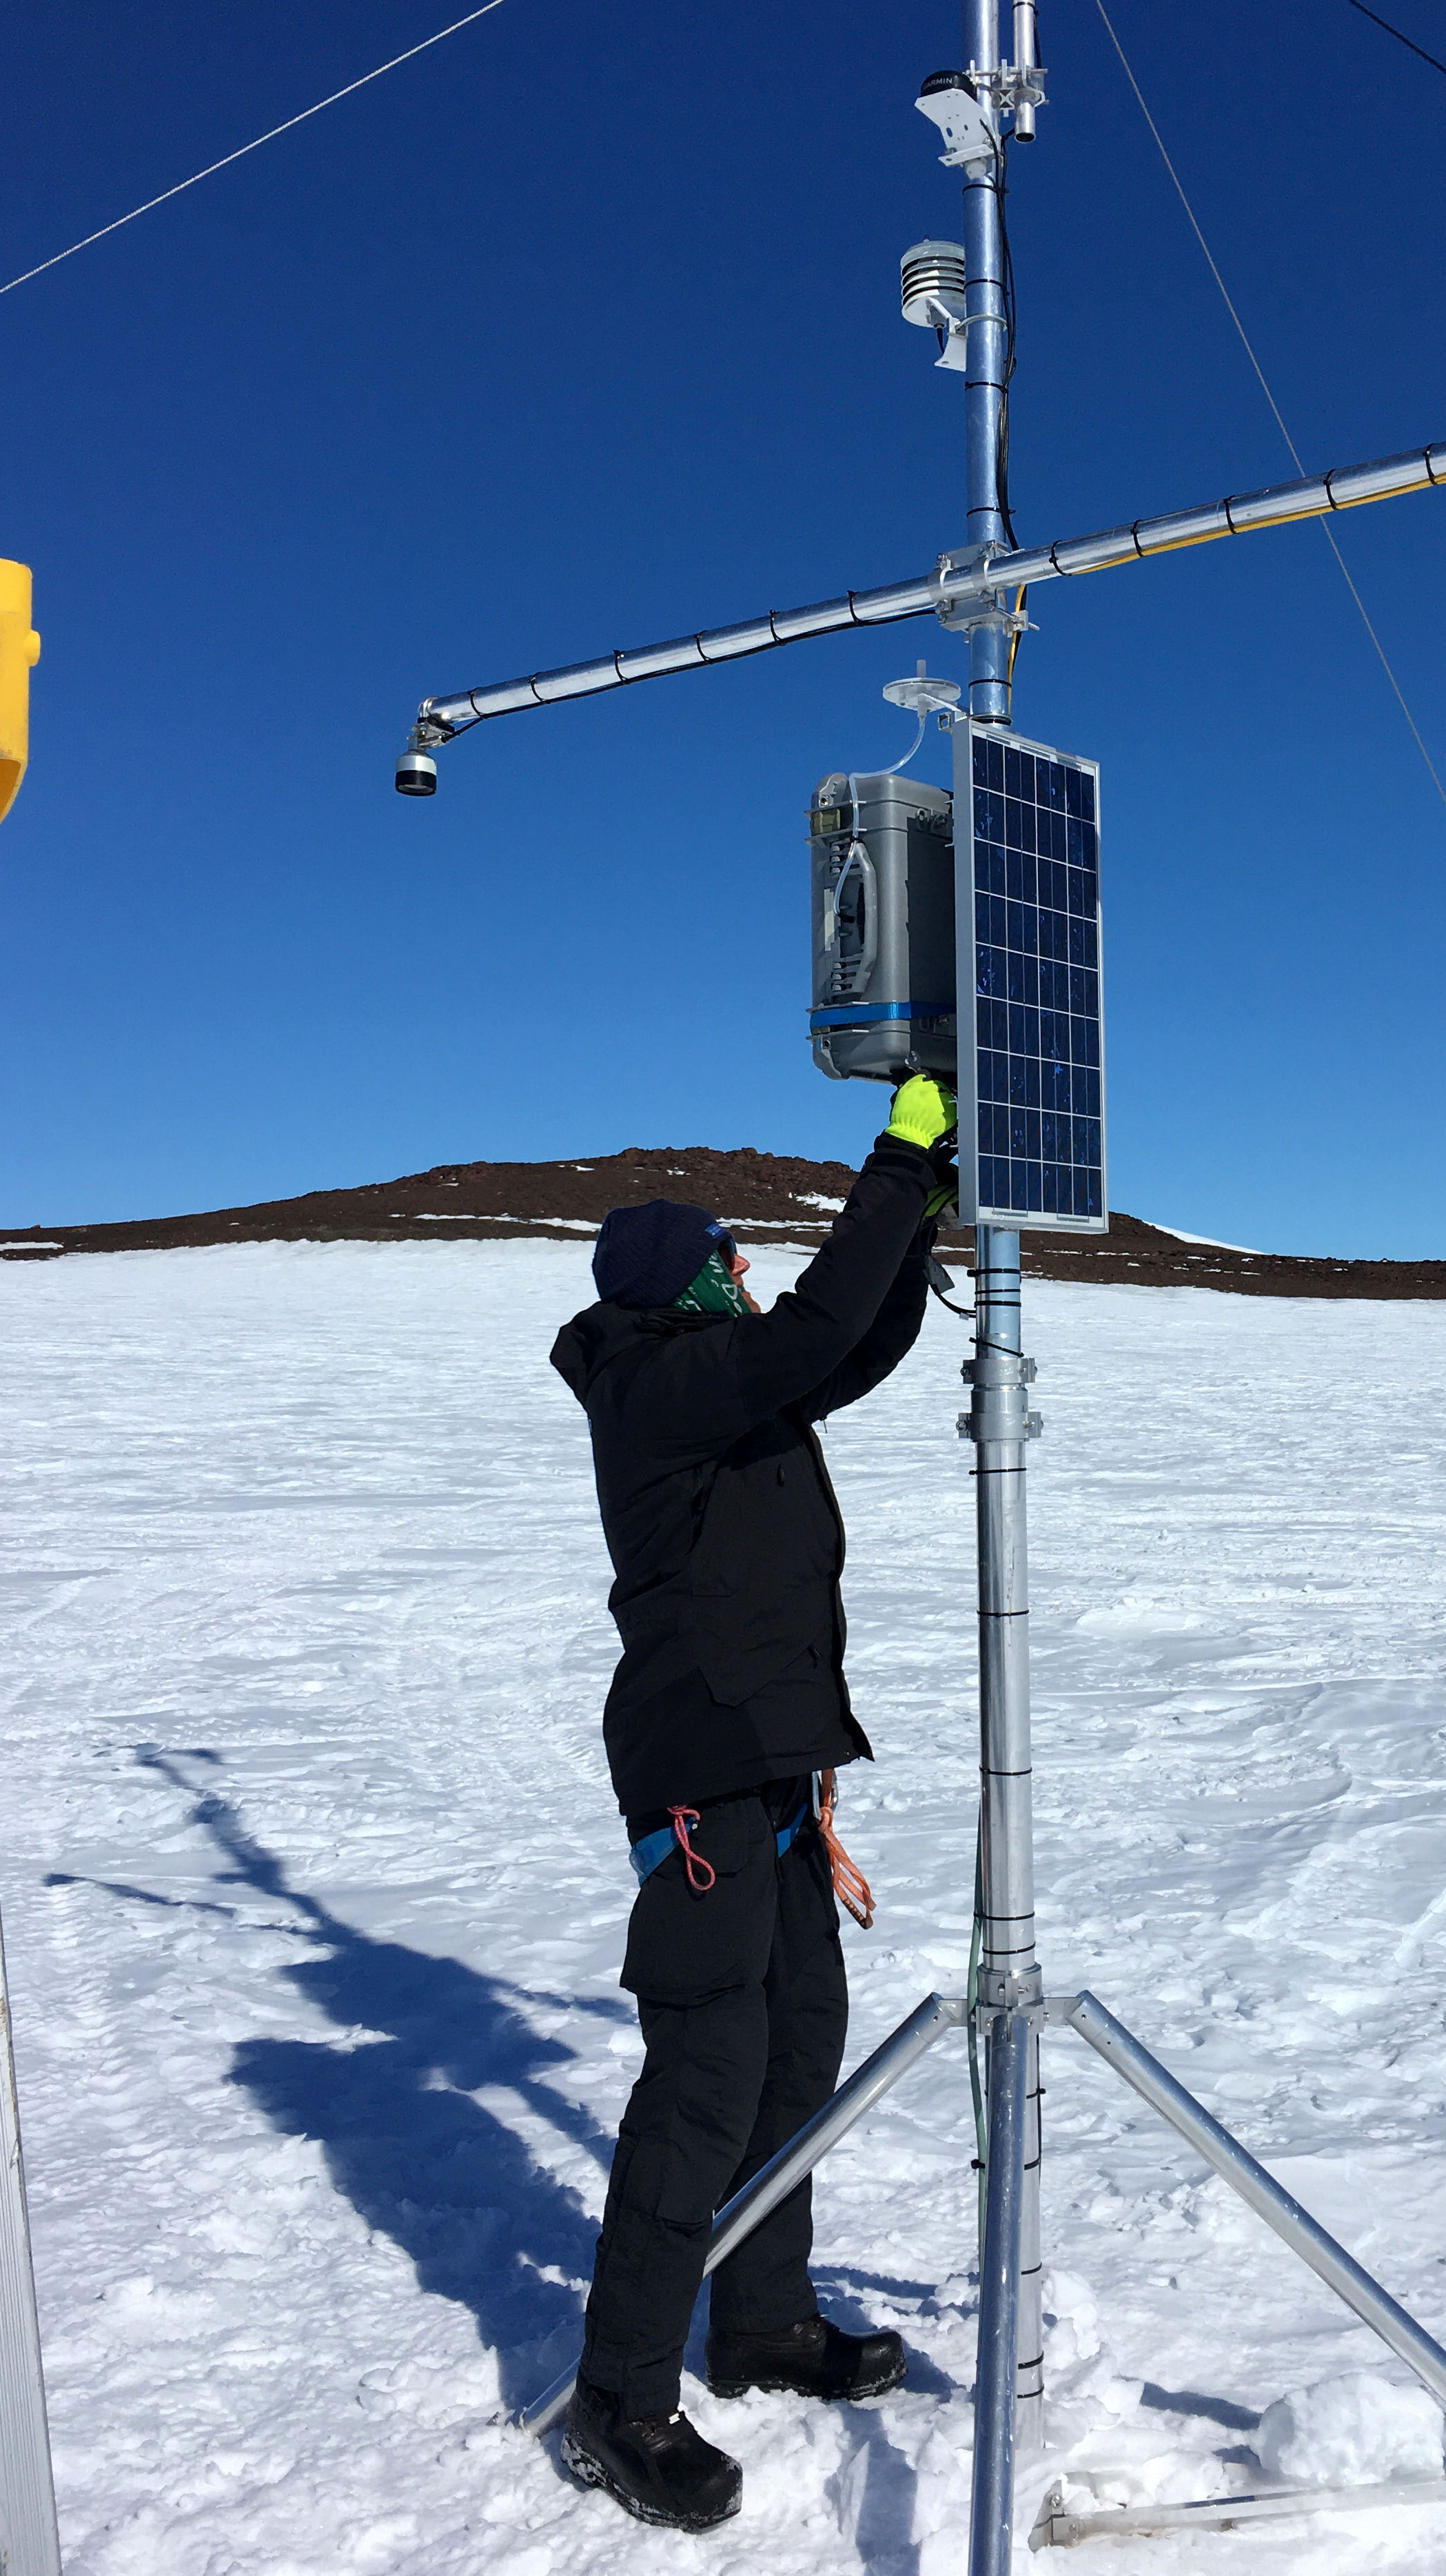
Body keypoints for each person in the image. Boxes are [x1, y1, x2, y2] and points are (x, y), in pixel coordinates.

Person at [547, 1075, 959, 2532]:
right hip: (700, 1776)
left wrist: (916, 1224)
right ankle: (619, 2397)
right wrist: (896, 1161)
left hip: (772, 1764)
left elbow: (854, 1340)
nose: (744, 1272)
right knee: (706, 2081)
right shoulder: (659, 1385)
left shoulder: (726, 1378)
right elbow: (810, 1332)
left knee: (798, 2047)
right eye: (726, 1257)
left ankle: (766, 2318)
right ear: (680, 1280)